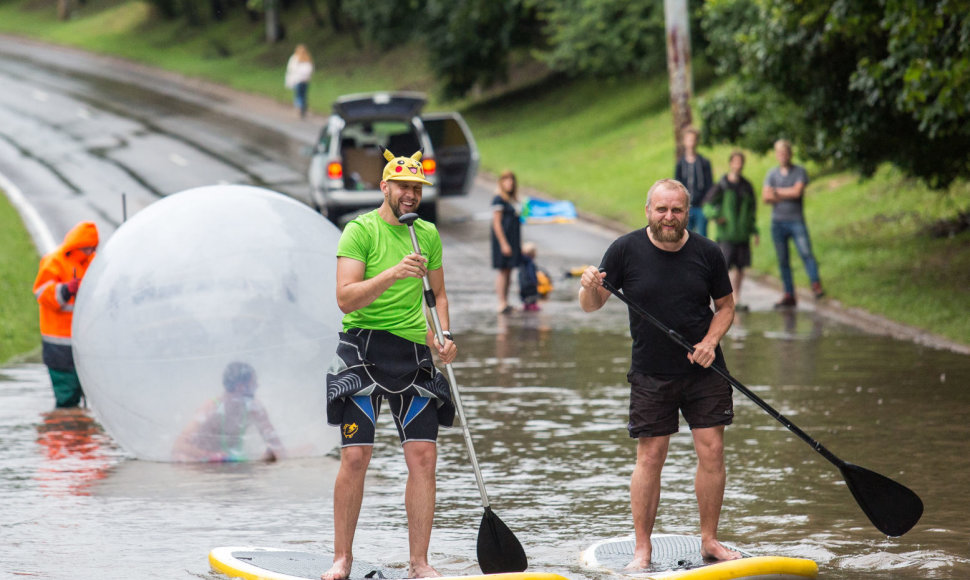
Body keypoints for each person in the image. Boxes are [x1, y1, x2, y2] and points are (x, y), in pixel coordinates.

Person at [578, 179, 740, 569]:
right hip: (651, 372)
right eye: (662, 209)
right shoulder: (623, 250)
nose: (669, 217)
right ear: (648, 210)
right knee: (651, 456)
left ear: (687, 212)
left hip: (704, 368)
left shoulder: (707, 252)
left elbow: (726, 307)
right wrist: (587, 287)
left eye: (677, 210)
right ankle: (642, 549)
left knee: (713, 451)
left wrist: (710, 341)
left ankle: (709, 541)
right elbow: (591, 305)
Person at [323, 147, 458, 580]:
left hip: (412, 353)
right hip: (361, 350)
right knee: (357, 456)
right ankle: (341, 558)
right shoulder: (359, 231)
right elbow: (346, 297)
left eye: (417, 189)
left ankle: (419, 563)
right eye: (403, 187)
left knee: (423, 458)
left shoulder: (428, 234)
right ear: (385, 187)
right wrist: (394, 273)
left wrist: (444, 336)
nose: (410, 195)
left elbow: (438, 297)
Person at [33, 221, 99, 408]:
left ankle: (78, 432)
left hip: (85, 342)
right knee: (66, 396)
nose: (89, 252)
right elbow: (42, 293)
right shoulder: (54, 261)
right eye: (86, 248)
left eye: (92, 248)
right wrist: (66, 290)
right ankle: (66, 431)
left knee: (87, 392)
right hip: (59, 344)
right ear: (77, 245)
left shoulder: (93, 262)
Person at [171, 362, 285, 463]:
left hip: (232, 463)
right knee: (180, 459)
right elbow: (178, 445)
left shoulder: (254, 409)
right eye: (254, 382)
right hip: (204, 464)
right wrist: (210, 455)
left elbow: (276, 445)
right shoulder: (211, 408)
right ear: (241, 387)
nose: (257, 386)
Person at [762, 139, 825, 308]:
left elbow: (797, 192)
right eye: (779, 153)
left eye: (785, 152)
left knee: (806, 253)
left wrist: (776, 192)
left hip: (796, 221)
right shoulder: (772, 174)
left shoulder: (799, 171)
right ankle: (789, 293)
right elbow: (766, 197)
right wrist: (784, 193)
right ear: (777, 155)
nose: (782, 156)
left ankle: (816, 284)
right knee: (783, 260)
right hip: (778, 222)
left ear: (790, 154)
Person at [703, 151, 759, 310]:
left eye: (741, 162)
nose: (738, 165)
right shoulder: (722, 184)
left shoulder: (747, 186)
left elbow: (752, 211)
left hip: (742, 234)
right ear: (731, 163)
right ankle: (721, 299)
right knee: (723, 268)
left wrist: (754, 230)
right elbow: (707, 205)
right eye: (735, 162)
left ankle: (737, 298)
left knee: (740, 268)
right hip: (726, 234)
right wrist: (716, 216)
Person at [491, 169, 522, 313]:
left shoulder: (513, 200)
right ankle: (501, 301)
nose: (509, 183)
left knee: (509, 270)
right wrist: (503, 243)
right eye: (506, 180)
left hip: (513, 238)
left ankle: (506, 300)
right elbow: (496, 223)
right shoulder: (499, 199)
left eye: (511, 180)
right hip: (503, 240)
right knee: (503, 270)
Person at [675, 127, 713, 237]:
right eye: (688, 139)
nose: (691, 142)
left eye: (693, 139)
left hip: (701, 207)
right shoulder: (680, 164)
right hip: (686, 207)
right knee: (684, 237)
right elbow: (677, 184)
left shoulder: (704, 163)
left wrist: (706, 202)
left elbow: (710, 185)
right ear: (684, 141)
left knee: (702, 237)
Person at [284, 44, 314, 118]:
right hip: (305, 80)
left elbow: (291, 70)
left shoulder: (294, 58)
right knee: (303, 95)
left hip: (297, 80)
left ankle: (300, 107)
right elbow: (311, 69)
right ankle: (303, 107)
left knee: (298, 95)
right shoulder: (308, 58)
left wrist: (289, 81)